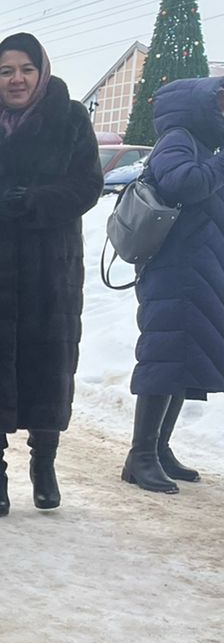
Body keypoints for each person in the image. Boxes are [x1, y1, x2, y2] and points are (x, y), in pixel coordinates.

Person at [0, 33, 102, 515]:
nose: (16, 79)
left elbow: (87, 185)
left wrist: (37, 201)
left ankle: (44, 464)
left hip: (49, 265)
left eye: (26, 69)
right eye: (6, 70)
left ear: (41, 72)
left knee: (49, 365)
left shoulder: (70, 118)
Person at [126, 74, 224, 492]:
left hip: (197, 269)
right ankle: (140, 455)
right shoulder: (178, 138)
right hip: (175, 270)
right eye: (221, 103)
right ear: (200, 105)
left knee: (183, 361)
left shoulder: (202, 145)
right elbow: (182, 183)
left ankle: (159, 448)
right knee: (165, 358)